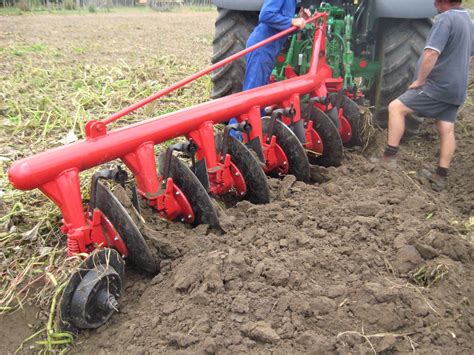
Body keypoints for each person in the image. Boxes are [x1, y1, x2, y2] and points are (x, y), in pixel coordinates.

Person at [378, 0, 473, 191]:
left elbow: (431, 53)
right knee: (446, 126)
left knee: (396, 107)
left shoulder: (445, 20)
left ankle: (388, 158)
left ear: (445, 2)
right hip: (457, 87)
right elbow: (469, 54)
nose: (434, 3)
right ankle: (440, 175)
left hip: (438, 85)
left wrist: (420, 80)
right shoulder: (468, 20)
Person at [229, 0, 310, 133]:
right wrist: (292, 21)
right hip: (261, 47)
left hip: (269, 50)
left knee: (260, 97)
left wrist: (299, 22)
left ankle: (255, 133)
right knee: (251, 96)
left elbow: (281, 28)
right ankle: (234, 136)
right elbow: (266, 15)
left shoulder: (292, 2)